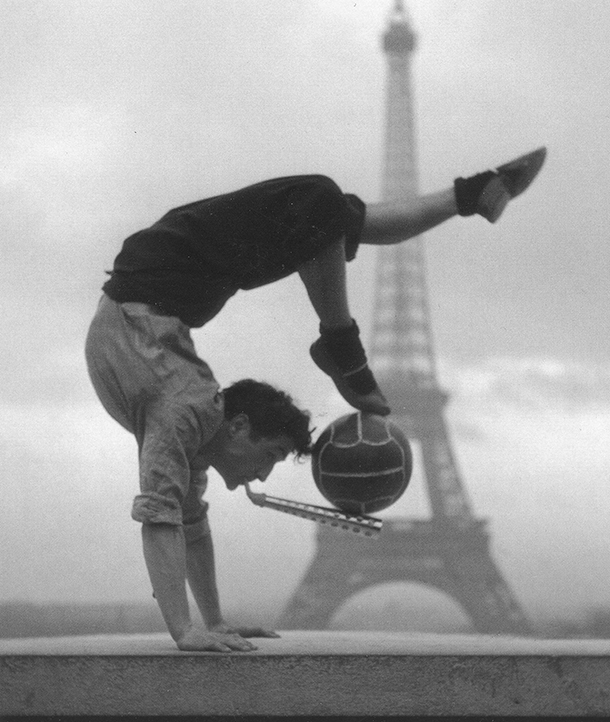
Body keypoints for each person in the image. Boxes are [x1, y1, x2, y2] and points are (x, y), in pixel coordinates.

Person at [86, 146, 545, 652]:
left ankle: (468, 196)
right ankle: (342, 340)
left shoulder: (188, 427)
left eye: (269, 463)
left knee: (332, 216)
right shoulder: (184, 416)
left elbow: (186, 529)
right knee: (324, 207)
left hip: (173, 278)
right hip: (164, 277)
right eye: (270, 456)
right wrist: (187, 631)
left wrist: (211, 624)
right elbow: (163, 522)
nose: (261, 475)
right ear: (237, 427)